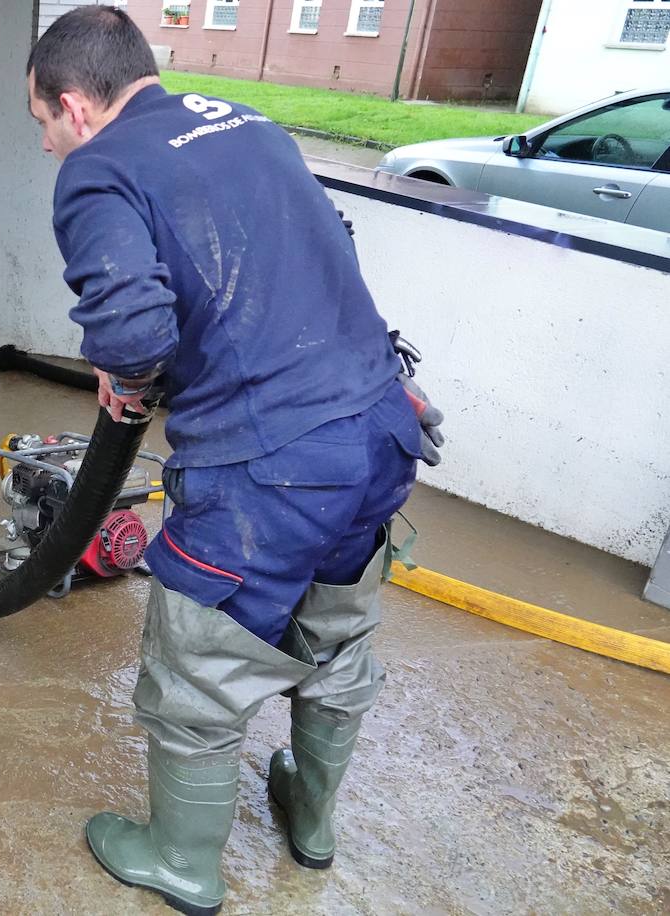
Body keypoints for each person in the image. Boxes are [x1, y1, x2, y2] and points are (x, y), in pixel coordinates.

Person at [26, 8, 442, 915]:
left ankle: (179, 863)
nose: (51, 148)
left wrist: (124, 371)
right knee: (335, 634)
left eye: (44, 129)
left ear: (74, 107)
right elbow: (327, 245)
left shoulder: (99, 169)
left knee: (195, 674)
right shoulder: (246, 120)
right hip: (379, 430)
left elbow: (133, 329)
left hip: (270, 470)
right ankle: (313, 823)